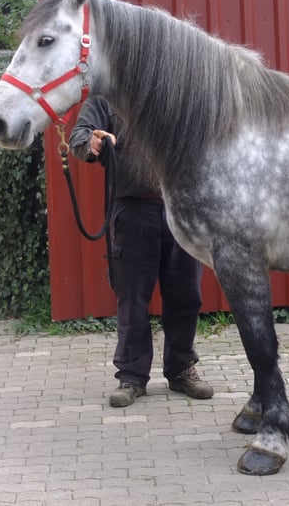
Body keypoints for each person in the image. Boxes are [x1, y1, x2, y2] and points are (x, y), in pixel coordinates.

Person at [69, 96, 213, 407]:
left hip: (183, 210)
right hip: (133, 211)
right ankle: (132, 377)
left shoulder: (180, 91)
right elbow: (79, 135)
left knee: (187, 295)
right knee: (132, 297)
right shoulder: (108, 98)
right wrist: (91, 142)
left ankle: (181, 370)